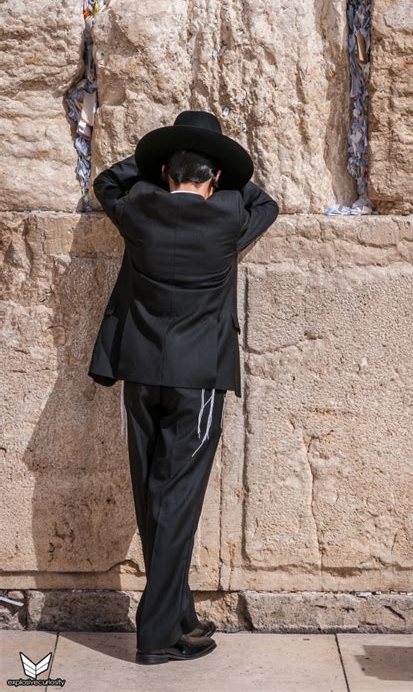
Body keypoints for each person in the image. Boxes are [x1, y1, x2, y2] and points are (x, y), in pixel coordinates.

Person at [87, 110, 279, 664]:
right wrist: (225, 170)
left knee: (155, 497)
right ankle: (155, 635)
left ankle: (179, 615)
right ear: (215, 177)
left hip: (140, 373)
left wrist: (152, 162)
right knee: (176, 502)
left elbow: (109, 181)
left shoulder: (140, 208)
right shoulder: (229, 216)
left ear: (167, 172)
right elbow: (266, 202)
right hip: (195, 383)